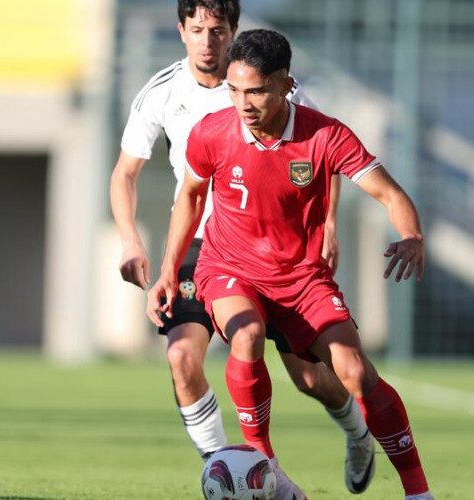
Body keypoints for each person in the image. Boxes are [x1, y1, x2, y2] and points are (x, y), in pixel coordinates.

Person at [147, 28, 434, 500]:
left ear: (285, 83)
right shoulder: (212, 132)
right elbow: (191, 198)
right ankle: (269, 470)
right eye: (234, 90)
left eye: (256, 90)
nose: (244, 102)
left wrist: (412, 234)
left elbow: (390, 193)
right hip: (229, 266)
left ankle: (417, 493)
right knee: (246, 333)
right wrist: (167, 270)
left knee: (354, 373)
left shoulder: (325, 134)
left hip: (301, 278)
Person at [110, 0, 374, 496]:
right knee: (182, 357)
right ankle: (235, 471)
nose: (207, 40)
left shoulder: (274, 87)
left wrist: (329, 225)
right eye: (197, 29)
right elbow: (125, 172)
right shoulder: (161, 92)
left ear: (234, 31)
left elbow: (327, 152)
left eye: (217, 30)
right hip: (200, 244)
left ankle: (358, 435)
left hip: (276, 248)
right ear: (181, 31)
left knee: (310, 379)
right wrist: (130, 239)